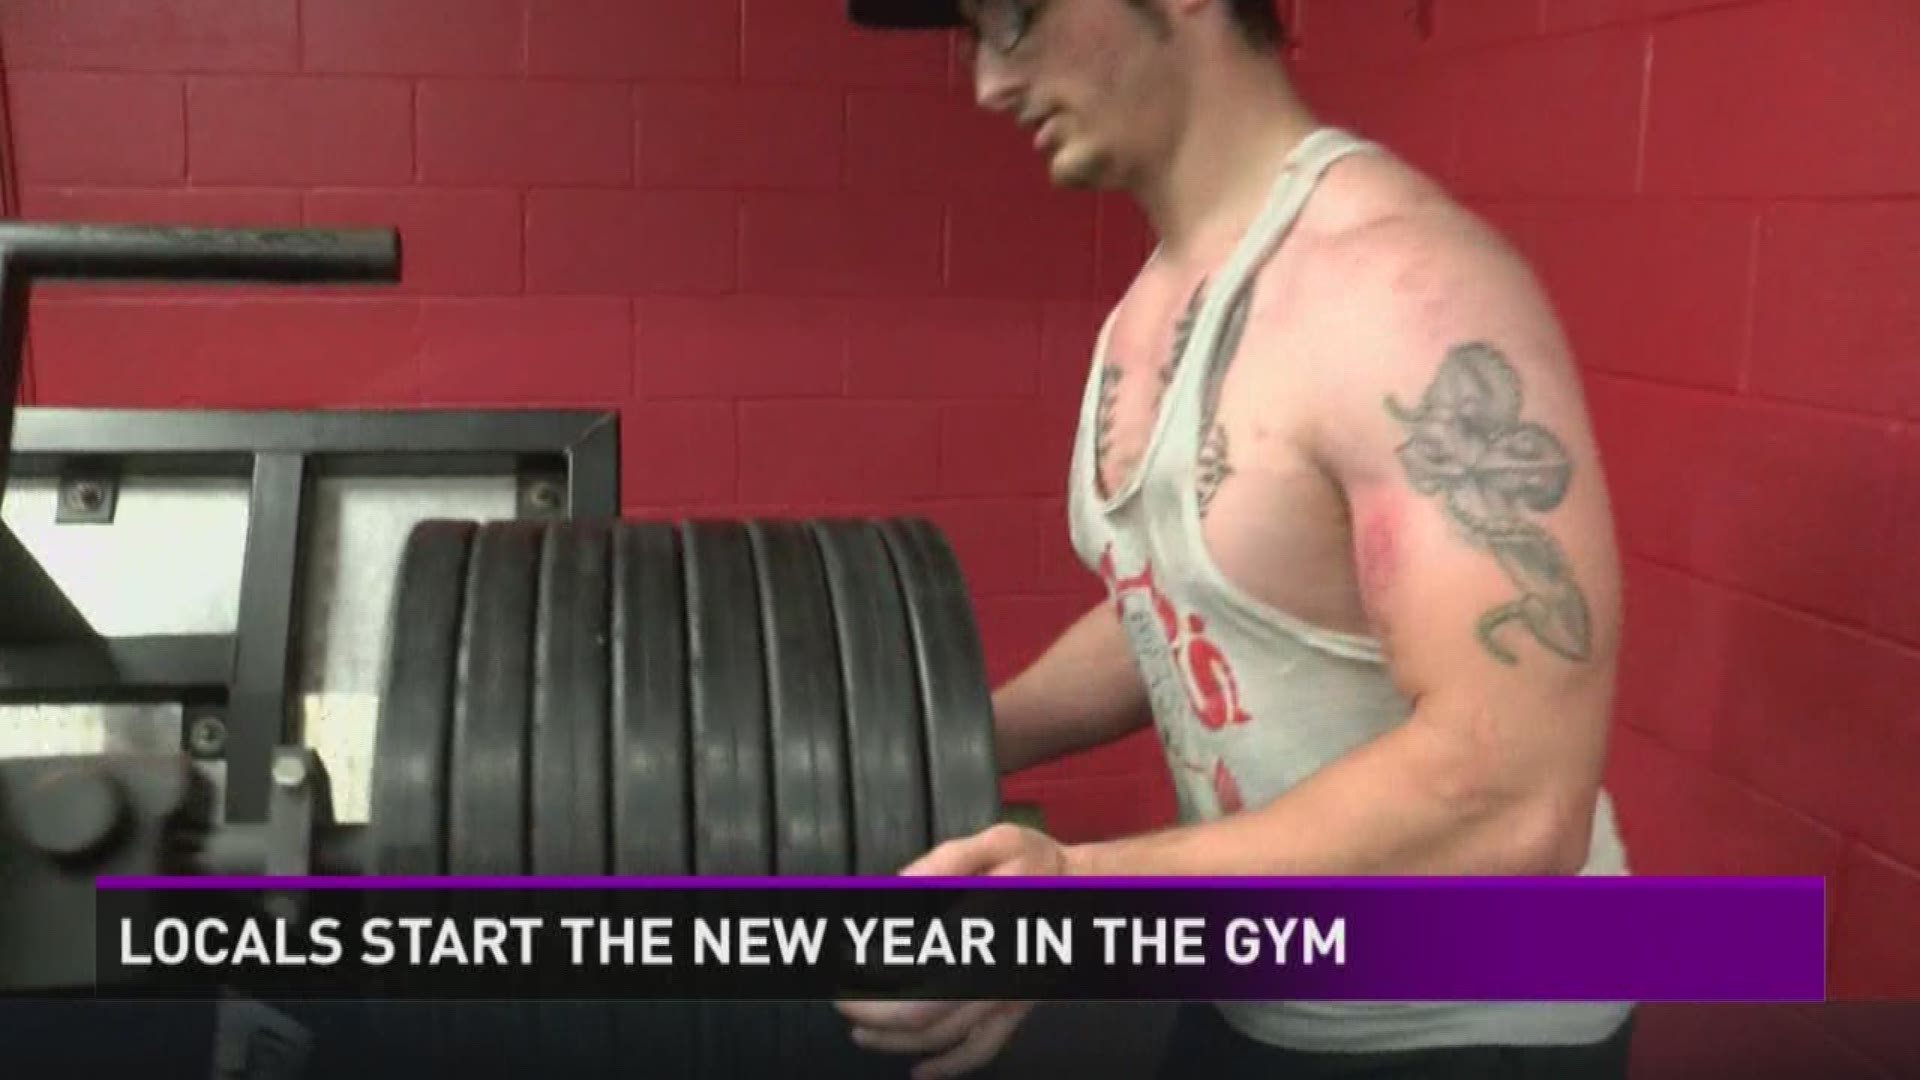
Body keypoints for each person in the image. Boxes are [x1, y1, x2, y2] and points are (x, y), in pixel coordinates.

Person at [837, 1, 1638, 1077]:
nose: (987, 81)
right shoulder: (1152, 306)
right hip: (1260, 992)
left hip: (1468, 1027)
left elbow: (1516, 799)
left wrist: (1082, 894)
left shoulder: (1402, 294)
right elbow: (1180, 606)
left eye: (1015, 19)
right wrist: (952, 743)